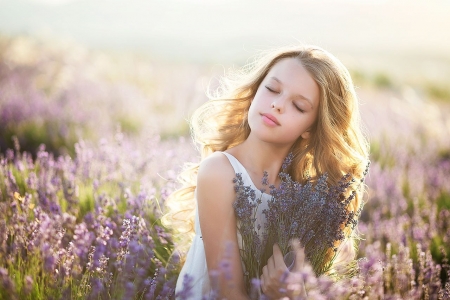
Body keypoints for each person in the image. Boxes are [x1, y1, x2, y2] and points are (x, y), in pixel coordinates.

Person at [164, 45, 369, 299]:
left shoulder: (307, 197)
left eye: (299, 106)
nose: (277, 105)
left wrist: (295, 292)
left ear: (311, 129)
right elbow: (227, 293)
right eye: (272, 89)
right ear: (255, 91)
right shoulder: (220, 172)